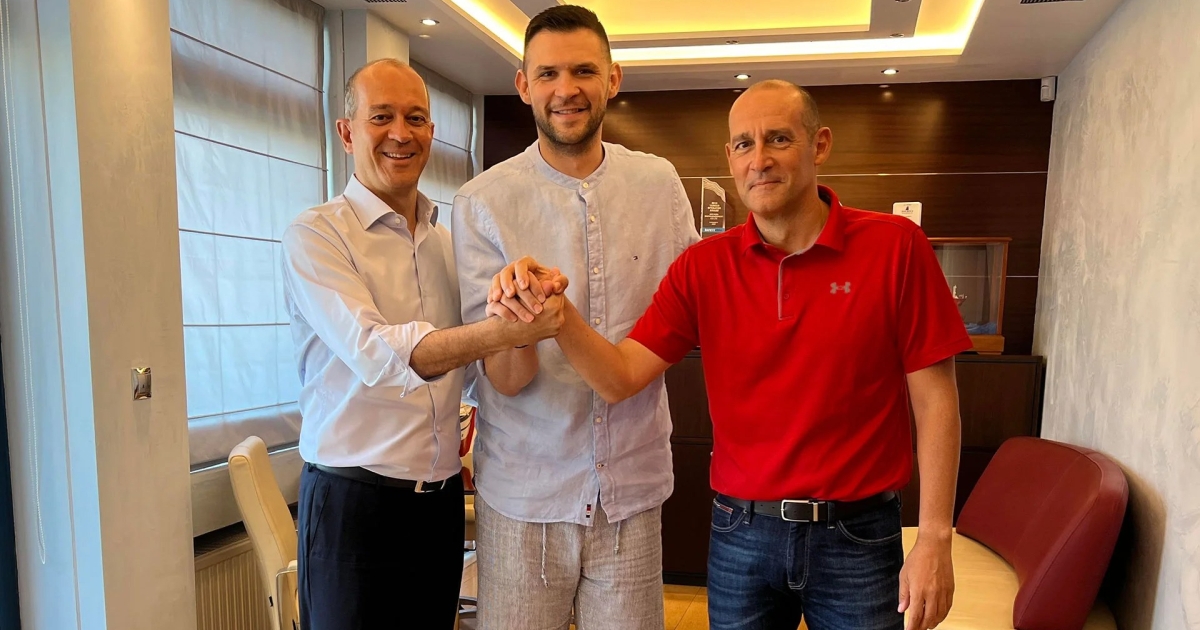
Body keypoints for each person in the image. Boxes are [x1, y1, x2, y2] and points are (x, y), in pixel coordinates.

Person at [489, 80, 968, 630]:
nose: (759, 160)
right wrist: (559, 314)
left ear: (819, 145)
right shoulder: (703, 267)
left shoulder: (895, 246)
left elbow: (936, 403)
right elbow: (620, 376)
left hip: (858, 535)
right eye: (744, 144)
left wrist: (935, 537)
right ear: (730, 157)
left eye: (778, 139)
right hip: (742, 534)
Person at [280, 59, 566, 630]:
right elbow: (376, 351)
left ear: (432, 133)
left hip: (439, 507)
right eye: (381, 117)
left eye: (415, 119)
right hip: (351, 505)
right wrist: (504, 331)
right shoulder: (315, 234)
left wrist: (524, 302)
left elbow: (493, 374)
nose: (400, 133)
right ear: (347, 132)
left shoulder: (448, 245)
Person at [450, 5, 700, 629]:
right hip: (525, 496)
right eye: (549, 74)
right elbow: (506, 382)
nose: (567, 89)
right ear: (523, 85)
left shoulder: (659, 184)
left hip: (632, 491)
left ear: (612, 79)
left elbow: (692, 314)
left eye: (584, 71)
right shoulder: (483, 202)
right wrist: (518, 321)